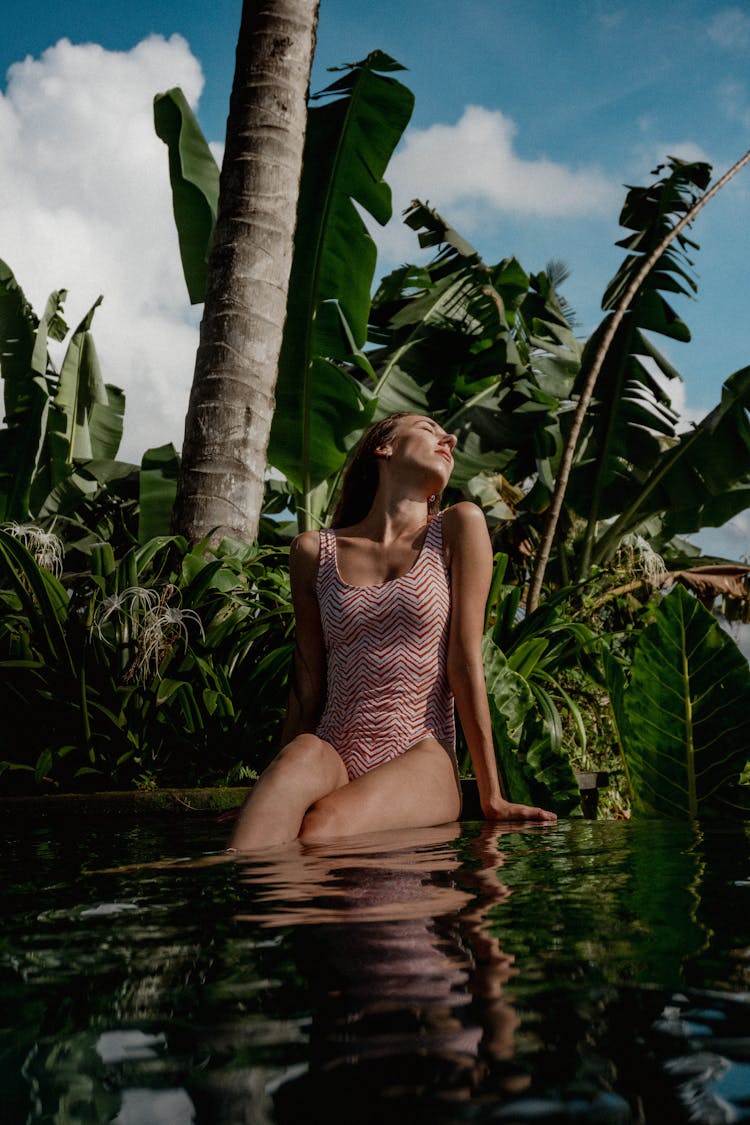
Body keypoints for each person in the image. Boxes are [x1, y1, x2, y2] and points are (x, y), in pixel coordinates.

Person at [228, 412, 556, 851]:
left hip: (420, 754)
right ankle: (240, 902)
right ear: (383, 449)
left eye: (447, 435)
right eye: (428, 430)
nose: (450, 439)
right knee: (269, 814)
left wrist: (490, 794)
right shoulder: (314, 551)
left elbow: (465, 662)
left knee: (320, 833)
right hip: (333, 748)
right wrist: (269, 794)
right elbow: (307, 684)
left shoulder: (458, 526)